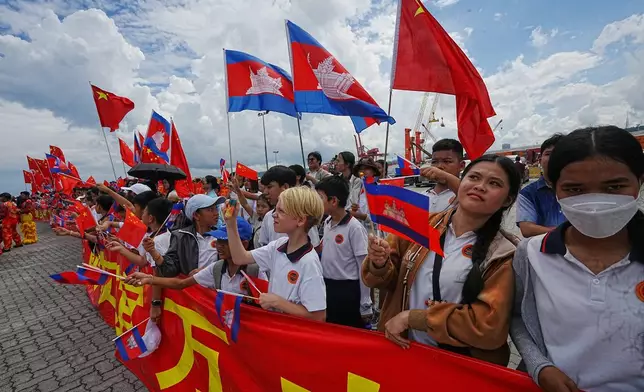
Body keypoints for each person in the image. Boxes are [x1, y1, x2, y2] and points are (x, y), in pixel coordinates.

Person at [511, 126, 644, 392]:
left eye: (614, 187)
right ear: (554, 188)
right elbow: (519, 318)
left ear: (639, 181)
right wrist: (539, 367)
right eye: (574, 189)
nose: (594, 203)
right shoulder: (532, 254)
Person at [363, 155, 521, 365]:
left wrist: (414, 318)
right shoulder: (420, 223)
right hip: (403, 351)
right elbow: (384, 282)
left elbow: (488, 326)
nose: (480, 186)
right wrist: (379, 263)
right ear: (461, 182)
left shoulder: (503, 253)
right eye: (474, 177)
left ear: (508, 199)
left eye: (494, 183)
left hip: (458, 367)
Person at [224, 186, 327, 321]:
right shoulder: (278, 245)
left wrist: (278, 302)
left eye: (281, 211)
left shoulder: (309, 262)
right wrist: (231, 224)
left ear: (301, 220)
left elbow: (319, 317)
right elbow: (239, 257)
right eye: (275, 209)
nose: (274, 214)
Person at [124, 217, 266, 296]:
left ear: (244, 243)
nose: (218, 246)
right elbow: (181, 284)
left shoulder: (255, 270)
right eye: (218, 241)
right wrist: (149, 279)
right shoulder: (217, 269)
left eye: (225, 242)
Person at [316, 176, 370, 327]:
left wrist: (365, 302)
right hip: (328, 286)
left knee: (347, 329)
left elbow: (363, 267)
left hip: (347, 290)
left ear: (334, 201)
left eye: (320, 198)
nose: (316, 202)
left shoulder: (354, 228)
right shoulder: (327, 222)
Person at [155, 194, 226, 278]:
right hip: (192, 289)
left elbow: (229, 265)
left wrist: (207, 271)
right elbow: (170, 270)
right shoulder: (180, 237)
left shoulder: (222, 236)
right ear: (196, 215)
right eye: (210, 210)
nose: (216, 213)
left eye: (216, 209)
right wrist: (154, 253)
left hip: (215, 289)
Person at [516, 134, 567, 238]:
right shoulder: (527, 194)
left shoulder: (585, 189)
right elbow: (527, 229)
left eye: (560, 154)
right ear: (539, 160)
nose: (554, 158)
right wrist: (569, 234)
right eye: (549, 154)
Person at [258, 166, 321, 249]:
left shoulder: (303, 214)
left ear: (285, 187)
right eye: (265, 188)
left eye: (269, 187)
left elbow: (315, 247)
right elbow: (264, 246)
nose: (265, 192)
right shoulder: (268, 216)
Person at [106, 198, 173, 268]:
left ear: (150, 218)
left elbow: (148, 264)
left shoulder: (158, 240)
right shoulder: (157, 234)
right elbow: (144, 260)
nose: (142, 215)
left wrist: (120, 248)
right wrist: (120, 247)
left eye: (144, 212)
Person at [419, 139, 464, 213]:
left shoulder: (467, 196)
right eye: (434, 162)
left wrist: (446, 177)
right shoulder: (422, 196)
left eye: (447, 161)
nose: (439, 166)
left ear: (461, 166)